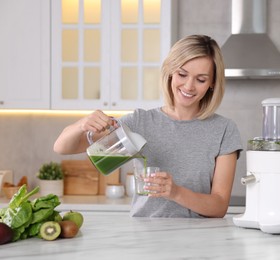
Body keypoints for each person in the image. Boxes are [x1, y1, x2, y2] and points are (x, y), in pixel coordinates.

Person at [53, 35, 243, 218]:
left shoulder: (224, 129)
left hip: (198, 238)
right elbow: (61, 147)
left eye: (201, 79)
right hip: (146, 236)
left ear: (211, 83)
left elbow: (219, 206)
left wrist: (176, 192)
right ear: (170, 72)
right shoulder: (140, 122)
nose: (189, 86)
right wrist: (81, 125)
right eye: (182, 74)